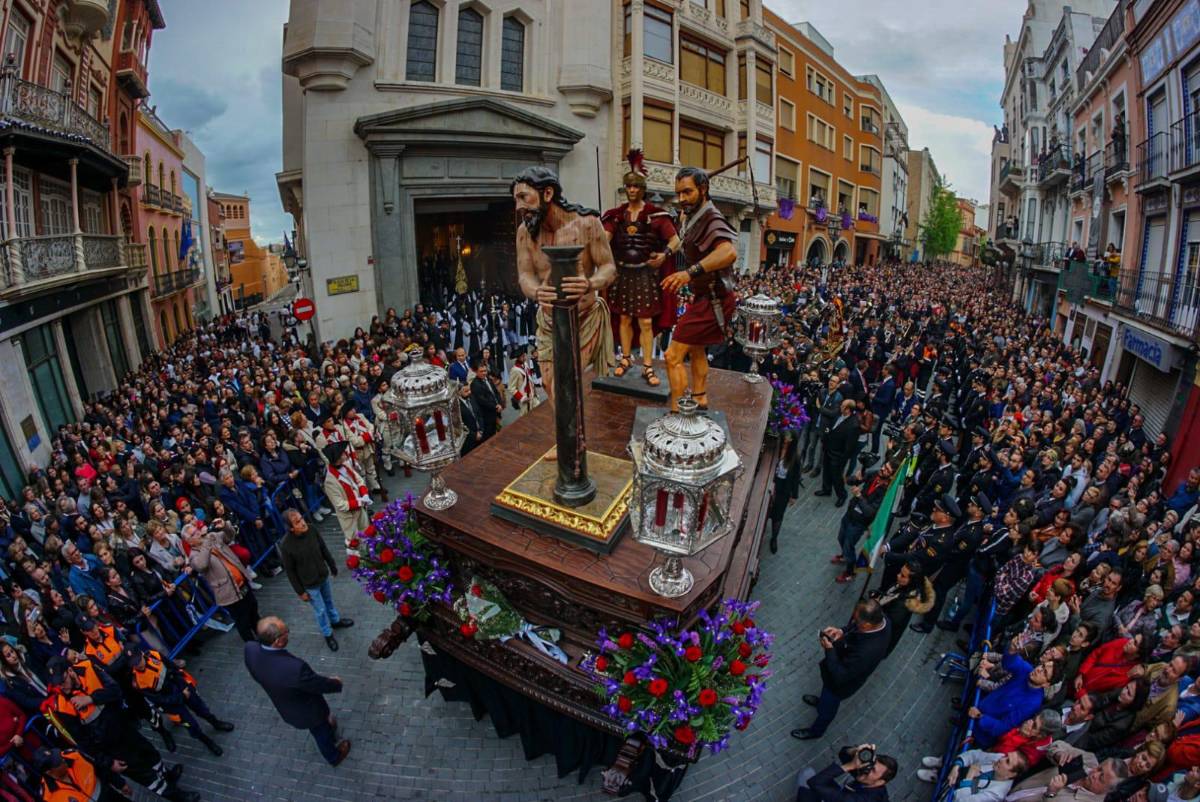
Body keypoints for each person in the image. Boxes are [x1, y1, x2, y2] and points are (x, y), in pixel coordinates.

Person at [512, 165, 617, 402]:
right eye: (515, 199)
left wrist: (590, 284)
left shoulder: (588, 224)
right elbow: (525, 275)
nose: (518, 207)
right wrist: (537, 291)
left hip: (585, 318)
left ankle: (572, 438)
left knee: (565, 383)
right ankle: (570, 436)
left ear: (547, 194)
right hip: (549, 322)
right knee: (550, 385)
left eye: (523, 197)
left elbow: (609, 267)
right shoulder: (525, 233)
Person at [660, 166, 738, 412]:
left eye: (687, 192)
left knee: (673, 356)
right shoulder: (692, 215)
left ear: (703, 190)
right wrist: (663, 256)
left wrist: (688, 273)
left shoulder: (712, 218)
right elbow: (681, 237)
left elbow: (728, 252)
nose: (681, 199)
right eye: (679, 193)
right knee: (696, 349)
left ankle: (678, 410)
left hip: (714, 298)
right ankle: (700, 397)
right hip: (707, 296)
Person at [602, 150, 678, 387]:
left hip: (646, 274)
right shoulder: (616, 216)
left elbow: (676, 241)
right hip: (623, 274)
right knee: (623, 318)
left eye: (636, 186)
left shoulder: (657, 216)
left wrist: (663, 255)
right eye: (628, 186)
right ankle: (625, 359)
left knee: (645, 323)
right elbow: (603, 240)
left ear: (642, 189)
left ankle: (647, 365)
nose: (632, 190)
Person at [243, 616, 351, 767]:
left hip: (286, 707)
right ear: (277, 641)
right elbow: (317, 684)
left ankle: (328, 728)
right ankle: (334, 757)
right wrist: (336, 683)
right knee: (321, 733)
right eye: (286, 632)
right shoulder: (294, 669)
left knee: (323, 726)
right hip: (308, 712)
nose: (288, 633)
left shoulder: (250, 648)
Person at [792, 600, 890, 740]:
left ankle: (816, 731)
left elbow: (840, 675)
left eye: (856, 620)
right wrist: (842, 631)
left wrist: (829, 649)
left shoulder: (867, 651)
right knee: (826, 695)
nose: (854, 622)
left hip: (840, 684)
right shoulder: (881, 620)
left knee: (828, 708)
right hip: (840, 669)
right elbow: (856, 628)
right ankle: (821, 702)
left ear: (867, 625)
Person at [128, 644, 234, 756]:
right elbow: (159, 700)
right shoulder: (138, 683)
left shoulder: (155, 655)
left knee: (202, 709)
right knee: (191, 725)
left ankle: (216, 723)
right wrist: (181, 696)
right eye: (134, 664)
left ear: (142, 653)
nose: (138, 665)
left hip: (181, 687)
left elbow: (173, 669)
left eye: (138, 660)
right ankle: (207, 742)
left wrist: (183, 687)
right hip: (172, 703)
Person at [279, 509, 353, 652]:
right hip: (309, 584)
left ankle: (336, 621)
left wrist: (332, 566)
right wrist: (300, 592)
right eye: (297, 522)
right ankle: (327, 634)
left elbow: (323, 548)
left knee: (329, 601)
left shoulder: (312, 529)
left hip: (322, 576)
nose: (302, 523)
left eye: (301, 518)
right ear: (291, 528)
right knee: (320, 610)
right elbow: (290, 572)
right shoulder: (286, 545)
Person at [795, 743, 897, 801]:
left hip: (843, 798)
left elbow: (813, 782)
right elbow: (842, 754)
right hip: (843, 794)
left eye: (873, 770)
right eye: (872, 763)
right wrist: (855, 751)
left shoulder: (861, 800)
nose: (868, 767)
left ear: (880, 782)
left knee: (806, 777)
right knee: (808, 774)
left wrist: (850, 766)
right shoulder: (870, 780)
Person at [914, 748, 1028, 799]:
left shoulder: (996, 794)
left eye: (1008, 761)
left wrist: (969, 777)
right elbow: (976, 755)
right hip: (959, 776)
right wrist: (956, 766)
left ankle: (939, 778)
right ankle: (941, 768)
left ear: (1011, 774)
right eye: (1006, 756)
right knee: (958, 760)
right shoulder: (1000, 758)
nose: (1002, 759)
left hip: (956, 795)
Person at [322, 441, 371, 555]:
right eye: (342, 454)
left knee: (366, 532)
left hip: (360, 508)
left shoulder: (346, 465)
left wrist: (364, 494)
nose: (345, 455)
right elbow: (340, 504)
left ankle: (369, 554)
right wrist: (360, 501)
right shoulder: (330, 481)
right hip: (349, 516)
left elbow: (358, 480)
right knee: (353, 541)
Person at [816, 399, 862, 507]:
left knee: (836, 477)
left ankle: (842, 495)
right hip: (828, 449)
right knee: (826, 471)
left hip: (838, 455)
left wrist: (842, 459)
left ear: (848, 410)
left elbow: (849, 447)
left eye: (842, 406)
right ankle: (826, 489)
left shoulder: (854, 425)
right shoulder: (838, 415)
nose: (840, 407)